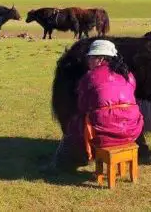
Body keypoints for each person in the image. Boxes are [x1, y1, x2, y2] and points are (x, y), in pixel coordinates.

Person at [50, 39, 144, 171]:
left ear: (100, 59)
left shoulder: (89, 77)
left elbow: (82, 106)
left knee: (73, 127)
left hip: (105, 134)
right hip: (132, 131)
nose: (88, 61)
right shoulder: (128, 74)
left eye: (91, 57)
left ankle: (61, 164)